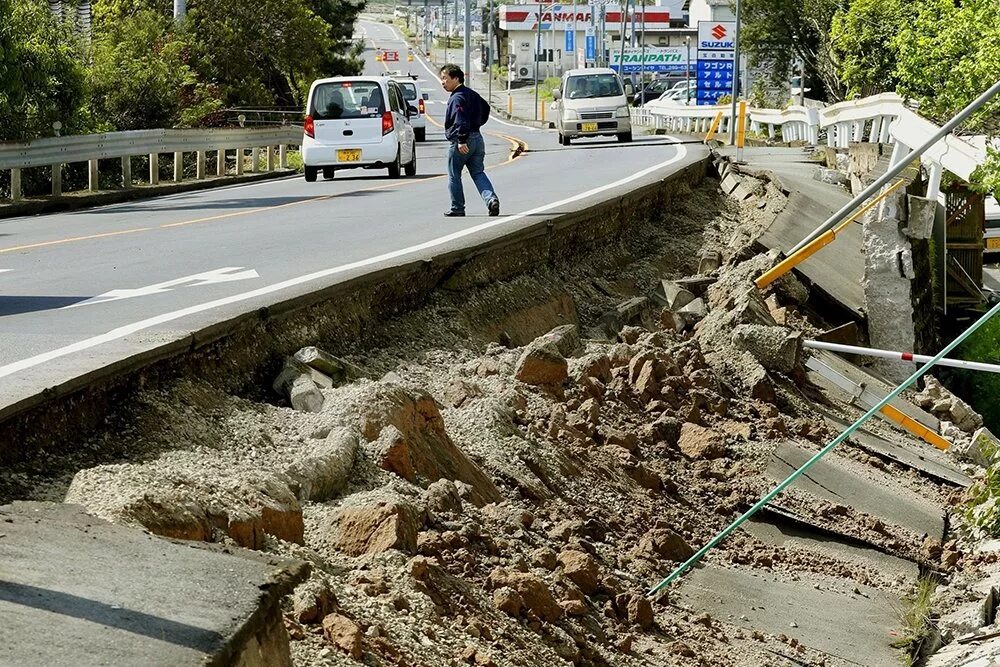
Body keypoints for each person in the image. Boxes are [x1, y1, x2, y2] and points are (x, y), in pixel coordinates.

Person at [439, 64, 500, 217]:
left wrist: (461, 140)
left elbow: (460, 119)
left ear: (456, 78)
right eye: (442, 79)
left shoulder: (457, 98)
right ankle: (491, 199)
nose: (443, 82)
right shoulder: (471, 94)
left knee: (454, 175)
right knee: (478, 172)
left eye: (445, 78)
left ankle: (457, 207)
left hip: (462, 141)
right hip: (477, 138)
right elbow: (485, 108)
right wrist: (477, 124)